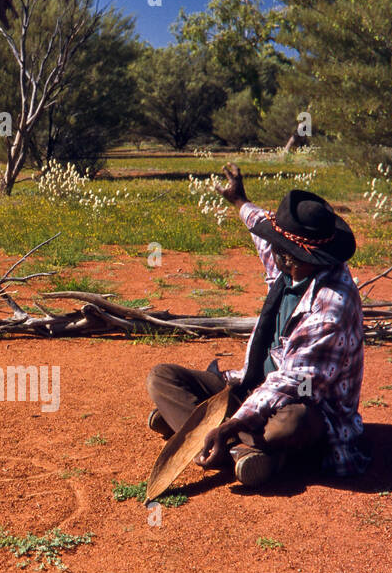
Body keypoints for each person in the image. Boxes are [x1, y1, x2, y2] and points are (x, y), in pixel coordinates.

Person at [146, 163, 369, 489]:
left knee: (289, 425)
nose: (271, 247)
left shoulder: (330, 308)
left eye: (279, 245)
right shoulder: (296, 264)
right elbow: (260, 229)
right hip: (255, 387)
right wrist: (239, 200)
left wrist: (229, 424)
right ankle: (241, 452)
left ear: (294, 255)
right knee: (161, 377)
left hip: (307, 403)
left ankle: (204, 429)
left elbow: (290, 381)